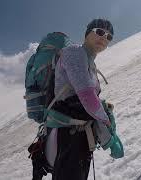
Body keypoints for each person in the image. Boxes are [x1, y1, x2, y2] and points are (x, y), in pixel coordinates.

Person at [49, 18, 119, 180]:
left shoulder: (91, 63)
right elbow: (87, 96)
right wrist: (108, 126)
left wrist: (104, 109)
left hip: (81, 132)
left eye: (109, 36)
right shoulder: (74, 52)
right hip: (67, 134)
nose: (104, 37)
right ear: (87, 34)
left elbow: (88, 97)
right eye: (100, 32)